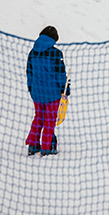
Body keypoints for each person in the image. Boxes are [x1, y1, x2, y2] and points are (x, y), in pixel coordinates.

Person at [26, 25, 69, 156]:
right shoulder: (56, 53)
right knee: (50, 120)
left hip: (37, 93)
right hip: (52, 94)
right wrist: (65, 90)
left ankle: (33, 145)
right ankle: (46, 148)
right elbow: (60, 74)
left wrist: (31, 88)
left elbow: (29, 73)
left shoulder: (33, 52)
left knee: (38, 117)